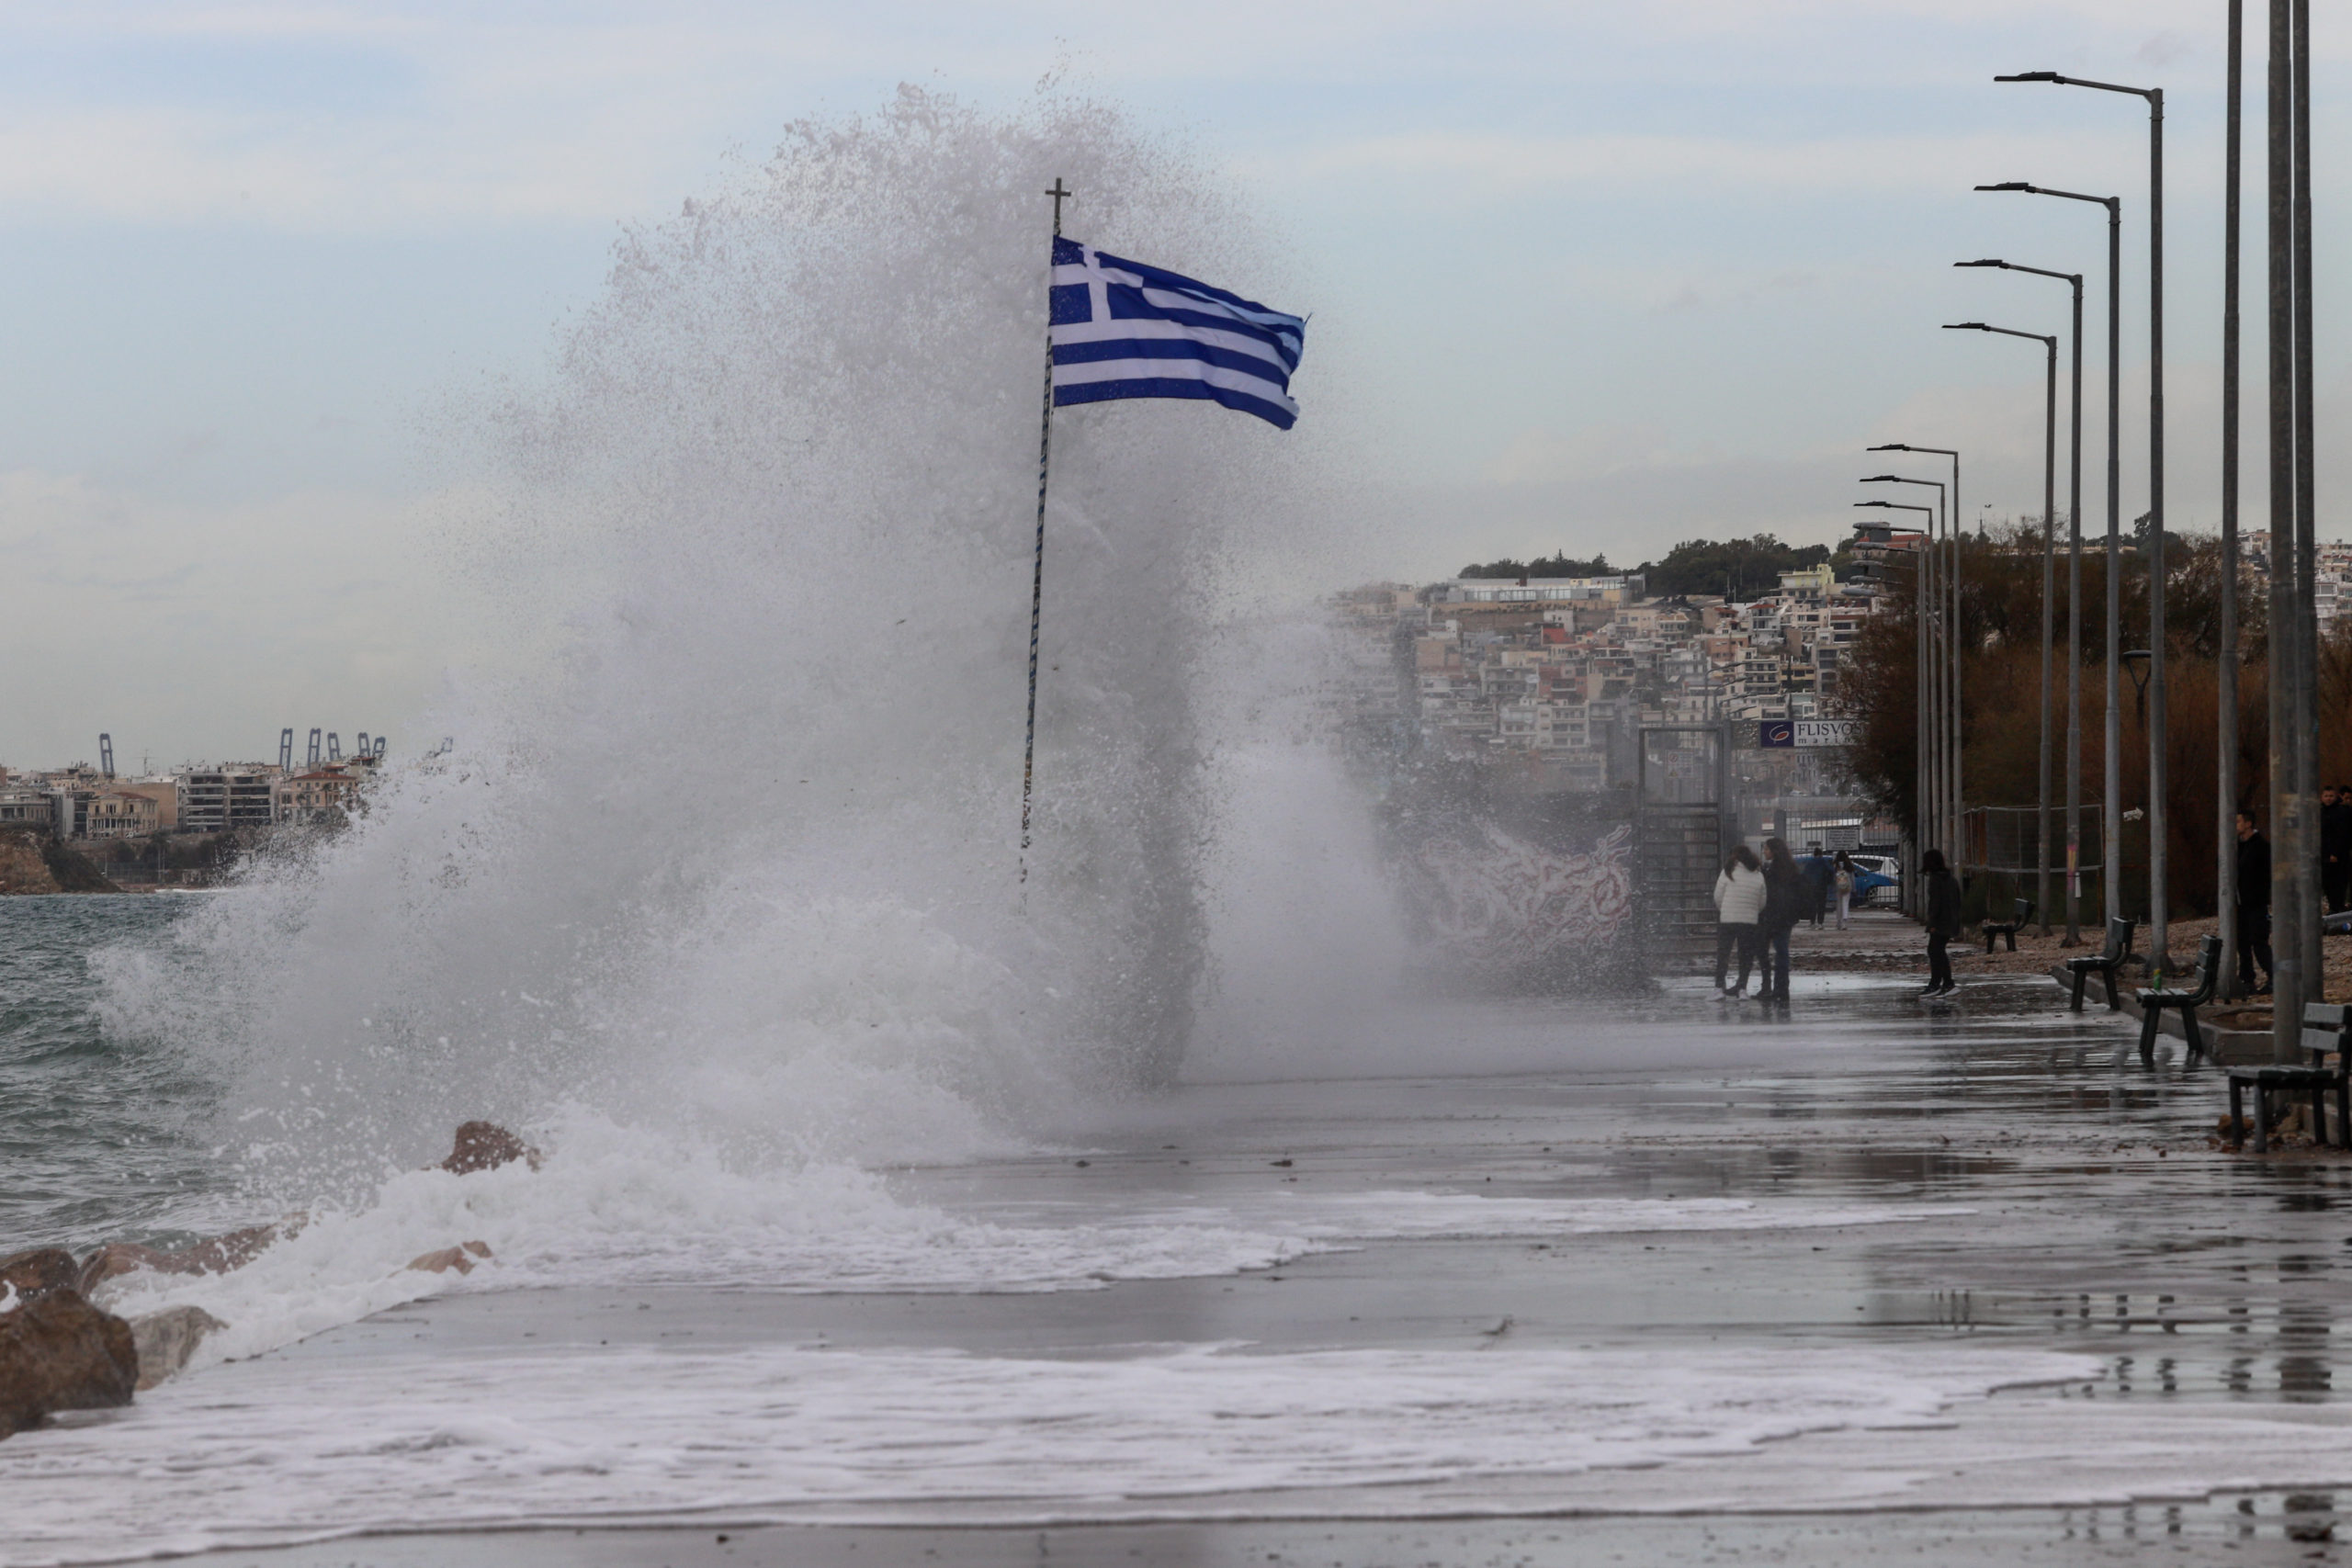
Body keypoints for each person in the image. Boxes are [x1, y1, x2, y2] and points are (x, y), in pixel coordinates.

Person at [1711, 845, 1767, 996]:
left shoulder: (1728, 872)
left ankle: (1718, 988)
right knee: (1745, 955)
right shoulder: (1758, 874)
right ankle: (1742, 988)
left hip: (1728, 920)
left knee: (1723, 954)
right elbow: (1762, 901)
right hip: (1749, 921)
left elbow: (1718, 896)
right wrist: (1752, 912)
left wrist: (1725, 909)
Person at [1757, 836, 1805, 1003]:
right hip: (1785, 917)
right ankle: (1781, 987)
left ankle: (1773, 987)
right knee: (1781, 952)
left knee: (1769, 951)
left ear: (1774, 851)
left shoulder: (1773, 870)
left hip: (1774, 916)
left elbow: (1771, 894)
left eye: (1766, 849)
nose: (1764, 852)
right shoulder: (1789, 868)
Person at [2238, 807, 2274, 994]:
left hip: (2256, 902)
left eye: (2238, 822)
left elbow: (2266, 875)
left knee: (2258, 941)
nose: (2235, 826)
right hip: (2240, 903)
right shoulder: (2238, 846)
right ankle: (2247, 979)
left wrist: (2259, 894)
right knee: (2242, 942)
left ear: (2248, 823)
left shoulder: (2261, 847)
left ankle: (2274, 976)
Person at [1919, 848, 1962, 996]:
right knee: (1938, 951)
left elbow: (1935, 904)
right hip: (1950, 921)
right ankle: (1945, 983)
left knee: (1935, 951)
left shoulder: (1935, 880)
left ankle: (1938, 984)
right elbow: (1957, 901)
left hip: (1940, 922)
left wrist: (1932, 924)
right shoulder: (1950, 879)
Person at [2322, 784, 2352, 915]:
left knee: (2339, 882)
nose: (2328, 799)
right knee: (2327, 883)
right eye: (2326, 796)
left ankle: (2338, 907)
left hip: (2339, 855)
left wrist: (2335, 852)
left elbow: (2343, 835)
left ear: (2336, 797)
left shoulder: (2342, 812)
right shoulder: (2320, 812)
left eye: (2331, 796)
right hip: (2324, 854)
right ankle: (2333, 907)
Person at [1800, 846, 1834, 926]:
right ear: (1821, 854)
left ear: (1814, 854)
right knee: (1821, 905)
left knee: (1812, 904)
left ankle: (1812, 922)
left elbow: (1805, 874)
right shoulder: (1823, 861)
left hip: (1812, 887)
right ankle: (1820, 922)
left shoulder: (1810, 862)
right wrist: (1829, 881)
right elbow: (1831, 870)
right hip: (1822, 886)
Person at [1832, 851, 1857, 931]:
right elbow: (1853, 878)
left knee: (1839, 905)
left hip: (1838, 886)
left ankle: (1838, 922)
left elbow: (1833, 877)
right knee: (1845, 904)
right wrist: (1854, 888)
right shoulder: (1849, 865)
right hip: (1847, 886)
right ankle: (1844, 923)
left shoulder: (1835, 865)